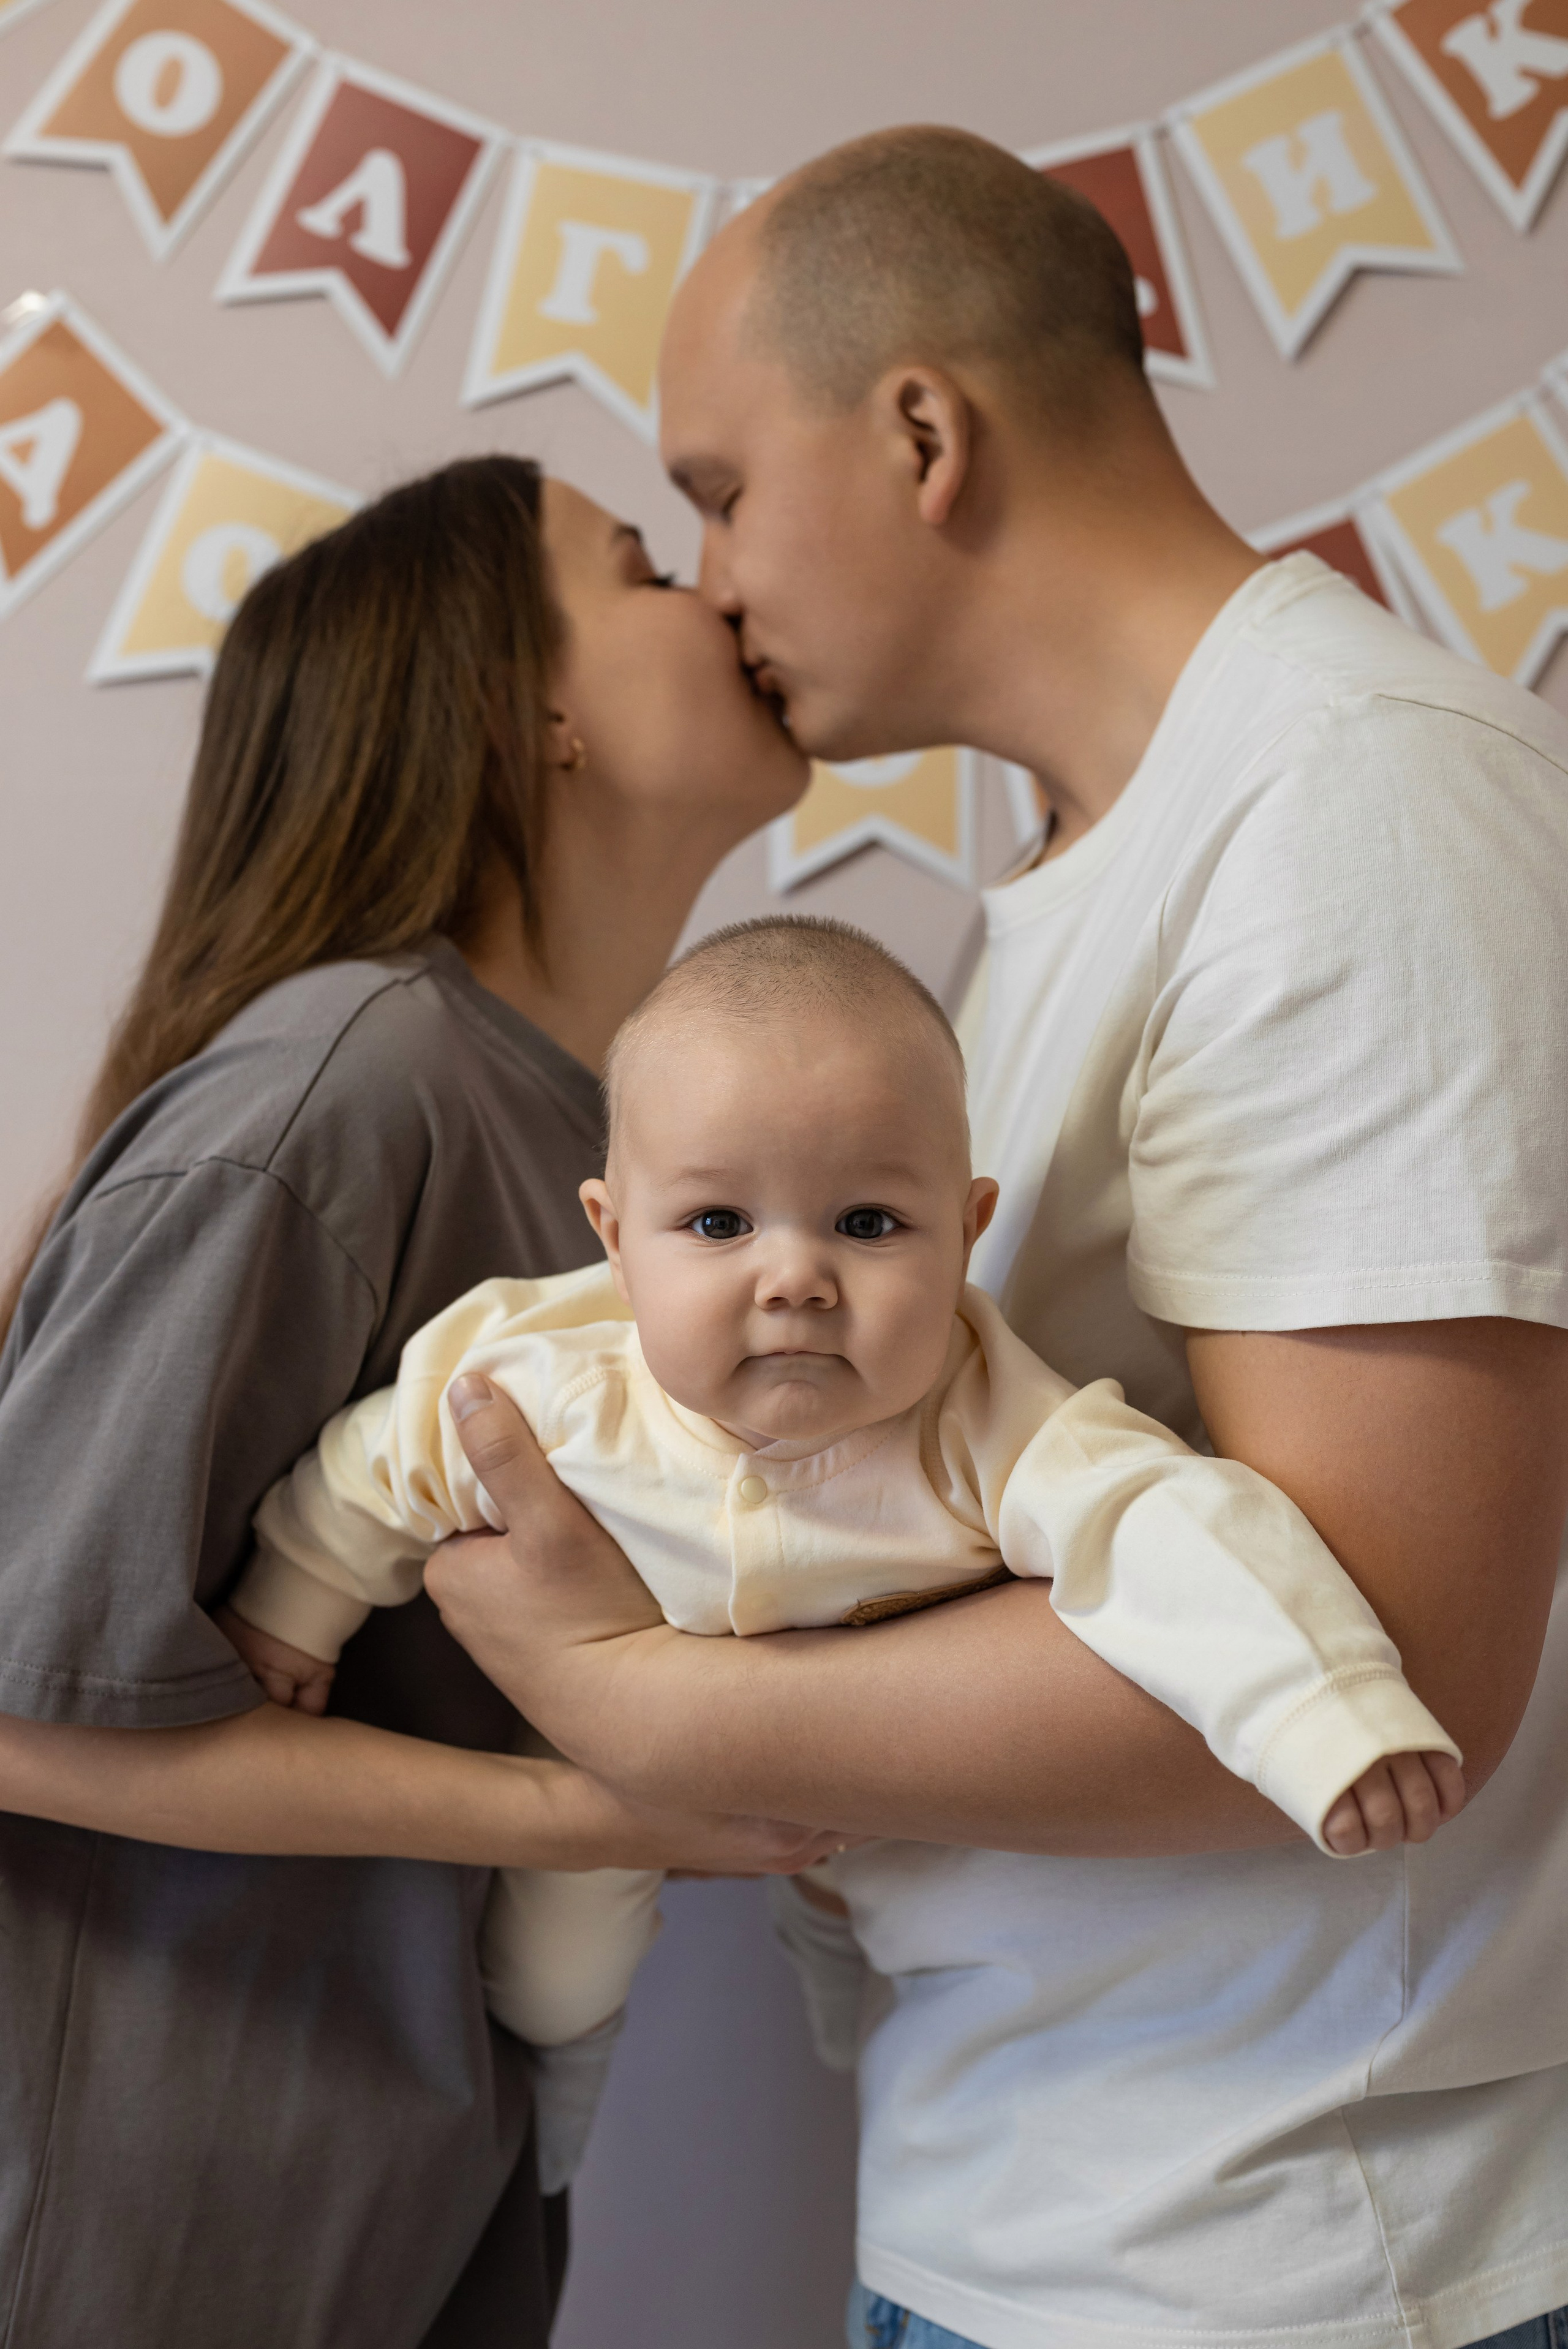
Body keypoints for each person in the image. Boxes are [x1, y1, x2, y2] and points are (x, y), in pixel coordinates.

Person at [417, 132, 1568, 2349]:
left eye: (724, 490)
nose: (717, 577)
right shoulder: (1069, 882)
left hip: (1284, 2259)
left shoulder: (1352, 809)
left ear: (924, 433)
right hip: (1039, 2199)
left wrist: (646, 1702)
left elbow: (1399, 1645)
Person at [0, 454, 839, 2349]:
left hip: (402, 2199)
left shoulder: (600, 1146)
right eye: (640, 564)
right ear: (522, 703)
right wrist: (603, 1803)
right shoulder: (349, 1091)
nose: (714, 593)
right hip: (151, 2241)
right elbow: (19, 1703)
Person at [219, 911, 1460, 2190]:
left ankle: (831, 1983)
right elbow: (374, 1468)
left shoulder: (990, 1416)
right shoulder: (540, 1373)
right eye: (715, 1225)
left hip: (880, 1772)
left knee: (862, 1896)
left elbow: (1165, 1534)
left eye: (867, 1224)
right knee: (554, 1962)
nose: (795, 1277)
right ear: (610, 1233)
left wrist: (1322, 1715)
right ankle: (561, 2107)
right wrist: (293, 1607)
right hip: (617, 1769)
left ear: (966, 1227)